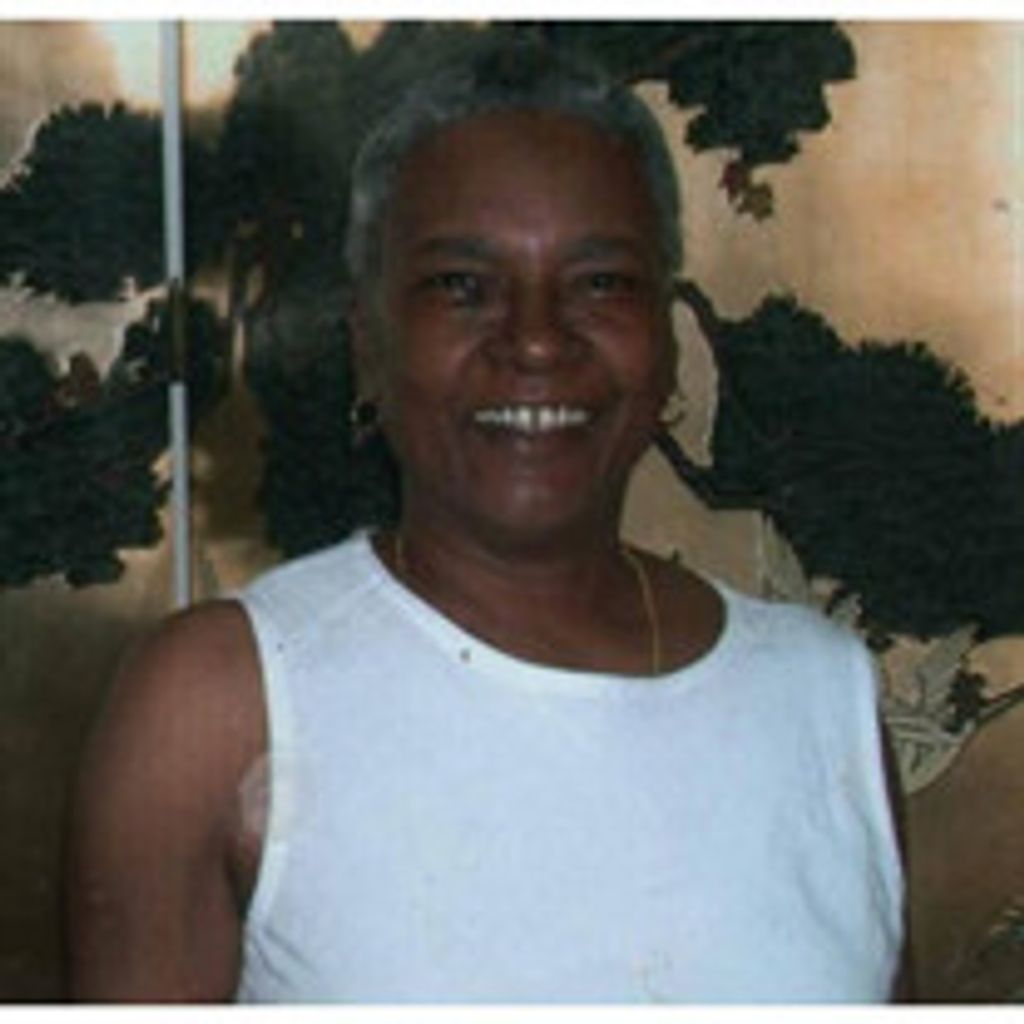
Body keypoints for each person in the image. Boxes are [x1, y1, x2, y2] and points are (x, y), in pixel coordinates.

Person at [67, 37, 908, 1003]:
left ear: (669, 340)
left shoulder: (822, 699)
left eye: (600, 282)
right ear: (368, 344)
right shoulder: (221, 704)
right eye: (461, 286)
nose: (536, 340)